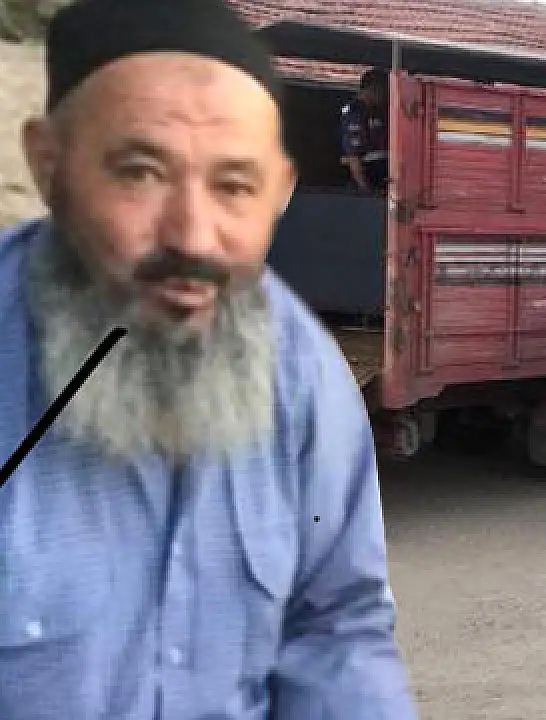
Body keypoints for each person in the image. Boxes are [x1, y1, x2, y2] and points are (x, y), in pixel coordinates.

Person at [0, 0, 417, 717]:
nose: (193, 236)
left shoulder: (303, 370)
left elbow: (335, 625)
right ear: (49, 164)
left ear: (279, 193)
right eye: (140, 172)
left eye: (233, 186)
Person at [340, 67, 390, 195]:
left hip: (383, 180)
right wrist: (365, 191)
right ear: (373, 89)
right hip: (367, 180)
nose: (387, 95)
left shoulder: (380, 111)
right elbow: (353, 156)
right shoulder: (355, 113)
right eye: (385, 90)